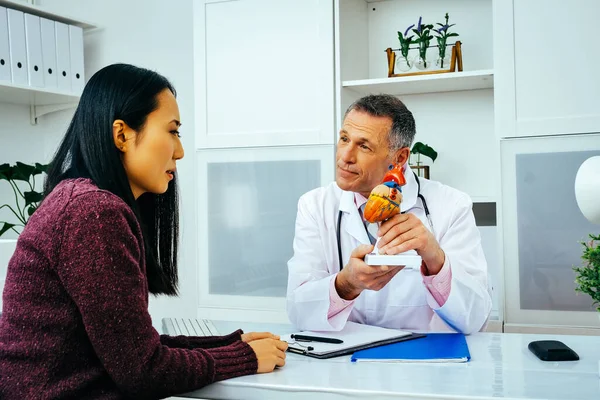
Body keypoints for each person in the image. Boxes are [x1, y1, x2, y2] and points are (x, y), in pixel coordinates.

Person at [0, 64, 287, 399]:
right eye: (172, 131)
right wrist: (243, 358)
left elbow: (133, 349)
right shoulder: (91, 212)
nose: (179, 152)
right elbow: (144, 372)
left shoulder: (81, 200)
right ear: (122, 135)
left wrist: (228, 344)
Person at [287, 94, 491, 334]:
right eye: (344, 139)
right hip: (344, 362)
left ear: (400, 158)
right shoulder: (315, 205)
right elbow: (298, 312)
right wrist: (346, 284)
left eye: (364, 146)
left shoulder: (452, 206)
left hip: (426, 362)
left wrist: (435, 258)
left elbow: (475, 318)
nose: (345, 157)